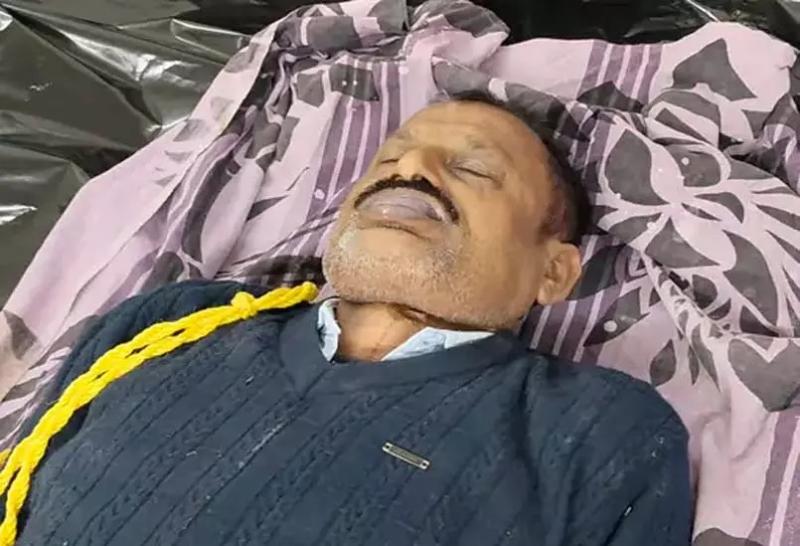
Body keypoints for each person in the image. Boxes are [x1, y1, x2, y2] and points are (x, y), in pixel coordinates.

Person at [4, 93, 691, 545]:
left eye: (475, 171)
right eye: (388, 157)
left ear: (554, 273)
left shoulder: (598, 430)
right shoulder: (173, 321)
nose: (410, 166)